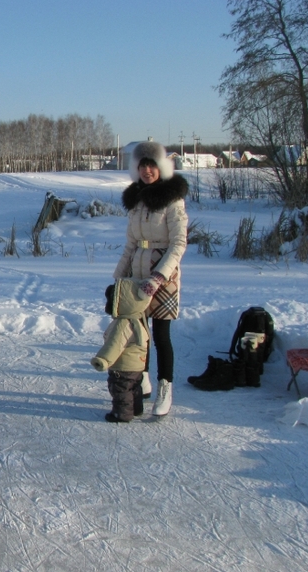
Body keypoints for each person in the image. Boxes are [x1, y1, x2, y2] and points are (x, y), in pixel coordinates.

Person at [113, 141, 189, 416]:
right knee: (138, 334)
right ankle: (141, 382)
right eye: (142, 165)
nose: (147, 170)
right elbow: (131, 244)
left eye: (152, 165)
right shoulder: (136, 200)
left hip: (163, 277)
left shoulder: (173, 199)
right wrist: (117, 279)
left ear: (162, 167)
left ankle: (165, 387)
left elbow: (179, 244)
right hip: (137, 274)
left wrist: (159, 277)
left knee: (160, 335)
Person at [91, 279, 153, 422]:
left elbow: (114, 345)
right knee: (134, 388)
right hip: (137, 365)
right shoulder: (138, 319)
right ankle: (136, 408)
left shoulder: (123, 324)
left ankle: (122, 414)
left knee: (120, 390)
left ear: (123, 302)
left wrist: (103, 360)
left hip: (124, 367)